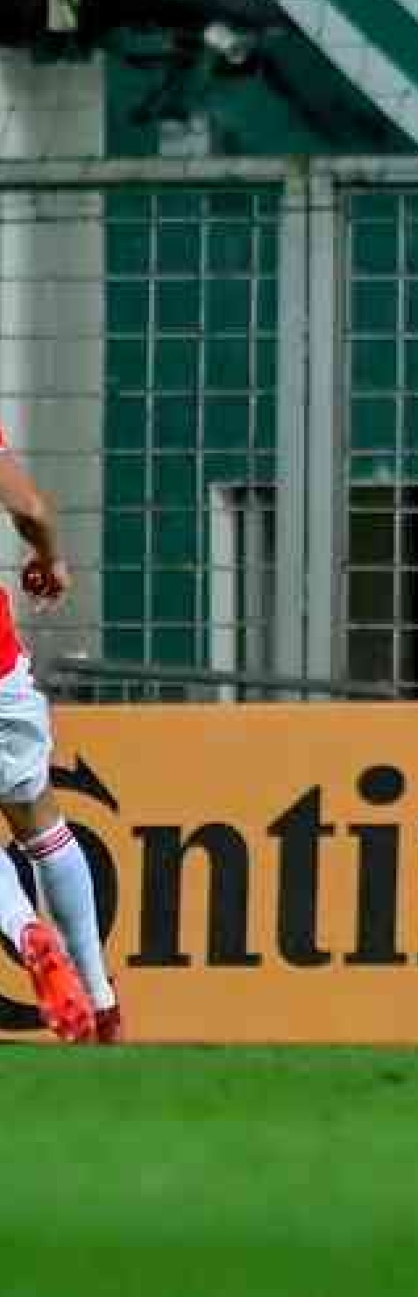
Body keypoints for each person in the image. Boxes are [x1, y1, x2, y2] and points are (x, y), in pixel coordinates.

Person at [0, 423, 121, 1043]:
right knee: (41, 823)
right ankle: (100, 998)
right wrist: (49, 559)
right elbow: (30, 509)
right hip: (0, 670)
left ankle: (26, 932)